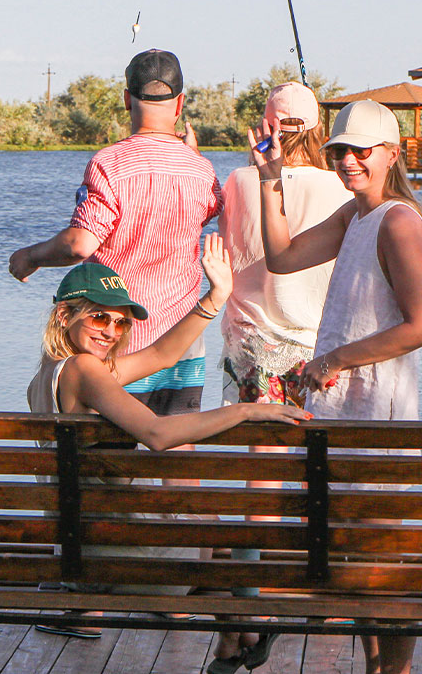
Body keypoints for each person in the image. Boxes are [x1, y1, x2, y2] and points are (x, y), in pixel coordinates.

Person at [254, 99, 422, 674]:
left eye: (364, 149)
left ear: (393, 154)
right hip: (341, 411)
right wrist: (271, 176)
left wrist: (333, 356)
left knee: (383, 562)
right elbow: (279, 258)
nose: (351, 160)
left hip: (379, 418)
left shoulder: (397, 222)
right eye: (341, 151)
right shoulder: (357, 216)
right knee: (356, 555)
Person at [27, 237, 310, 637]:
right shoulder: (85, 372)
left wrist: (215, 298)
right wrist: (246, 409)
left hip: (77, 549)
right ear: (64, 315)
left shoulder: (52, 375)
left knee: (206, 526)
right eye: (99, 318)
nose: (112, 331)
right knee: (228, 536)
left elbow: (161, 355)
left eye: (121, 322)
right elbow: (158, 433)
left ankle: (231, 628)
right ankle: (242, 626)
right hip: (116, 555)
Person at [206, 82, 351, 674]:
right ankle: (249, 621)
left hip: (246, 358)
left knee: (250, 491)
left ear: (261, 127)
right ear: (317, 129)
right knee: (281, 489)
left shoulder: (237, 183)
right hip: (309, 359)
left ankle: (245, 621)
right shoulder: (340, 187)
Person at [11, 48, 222, 420]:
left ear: (127, 99)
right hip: (183, 339)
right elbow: (211, 207)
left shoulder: (109, 163)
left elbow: (81, 244)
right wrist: (192, 157)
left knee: (111, 455)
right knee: (178, 460)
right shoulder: (201, 169)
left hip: (116, 339)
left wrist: (31, 257)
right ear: (180, 103)